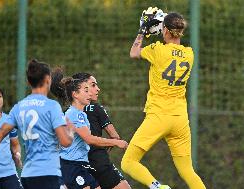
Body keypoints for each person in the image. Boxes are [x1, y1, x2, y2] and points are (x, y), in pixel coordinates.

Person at [121, 8, 207, 189]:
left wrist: (142, 31)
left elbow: (134, 53)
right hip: (180, 119)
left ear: (165, 31)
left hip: (159, 116)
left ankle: (157, 186)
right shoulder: (190, 54)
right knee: (187, 171)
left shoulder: (157, 50)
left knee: (128, 162)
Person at [0, 59, 74, 189]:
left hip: (27, 175)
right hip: (48, 172)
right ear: (48, 80)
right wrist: (71, 131)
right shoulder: (52, 106)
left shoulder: (19, 107)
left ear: (29, 82)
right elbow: (65, 142)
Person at [51, 69, 128, 189]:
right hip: (71, 166)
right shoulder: (74, 114)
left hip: (81, 165)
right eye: (86, 90)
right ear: (75, 94)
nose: (89, 94)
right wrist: (116, 142)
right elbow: (89, 139)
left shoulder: (81, 114)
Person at [71, 73, 131, 189]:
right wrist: (108, 148)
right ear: (82, 88)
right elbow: (115, 136)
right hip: (99, 163)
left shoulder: (67, 112)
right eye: (92, 86)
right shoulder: (96, 108)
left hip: (77, 166)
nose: (98, 89)